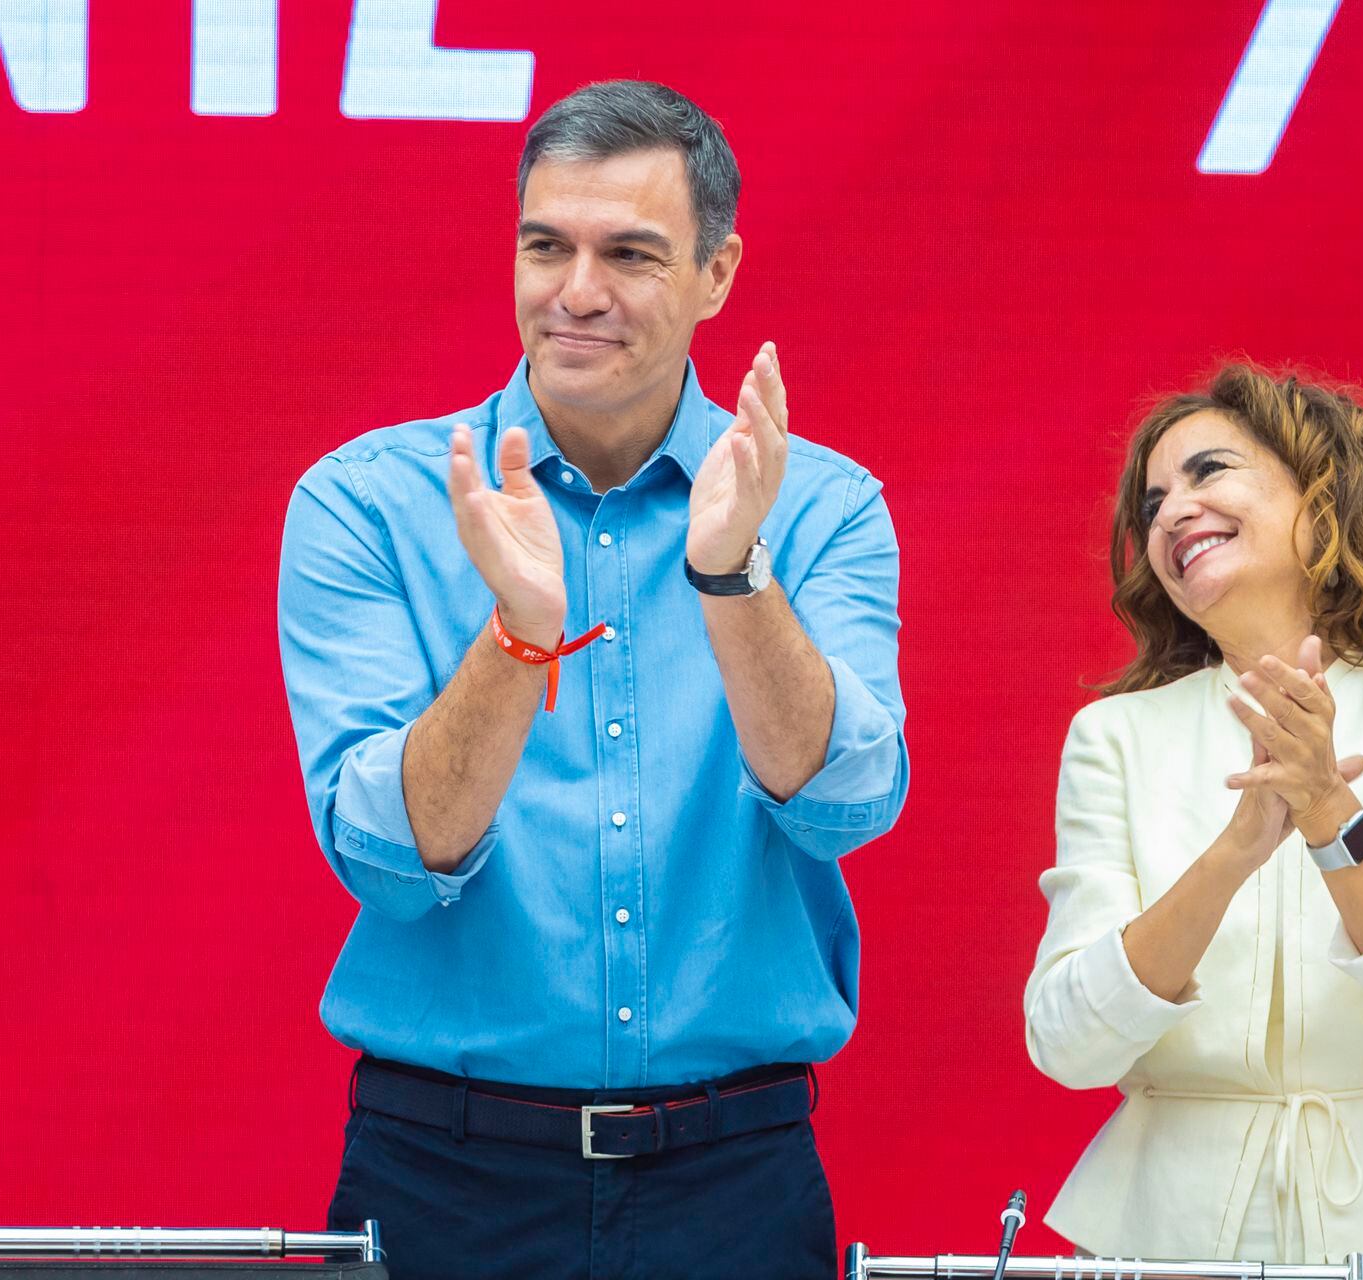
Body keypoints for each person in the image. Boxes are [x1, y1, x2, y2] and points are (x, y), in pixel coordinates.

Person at [277, 80, 908, 1280]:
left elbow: (844, 803)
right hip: (447, 1172)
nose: (576, 292)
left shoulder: (820, 504)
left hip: (737, 1171)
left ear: (718, 275)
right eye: (545, 246)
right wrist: (519, 635)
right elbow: (389, 858)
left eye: (629, 253)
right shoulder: (365, 501)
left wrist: (732, 576)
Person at [1023, 365, 1363, 1276]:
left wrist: (1329, 811)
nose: (1171, 513)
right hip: (1156, 1241)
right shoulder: (1113, 737)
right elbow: (1068, 1044)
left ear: (1323, 496)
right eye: (1151, 504)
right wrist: (1235, 850)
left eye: (1208, 472)